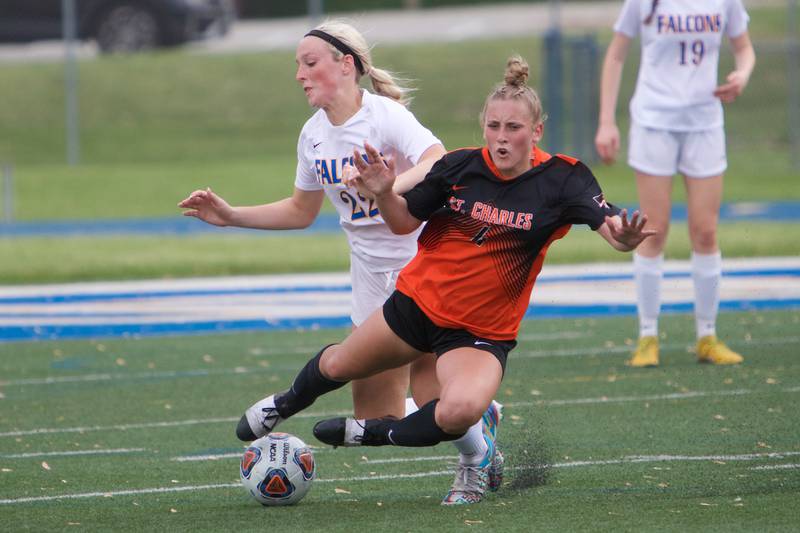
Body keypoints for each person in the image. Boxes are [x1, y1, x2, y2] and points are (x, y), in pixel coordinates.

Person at [234, 55, 655, 505]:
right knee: (337, 366)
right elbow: (401, 222)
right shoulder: (458, 168)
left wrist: (625, 239)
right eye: (493, 126)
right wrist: (382, 193)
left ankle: (413, 447)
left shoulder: (563, 179)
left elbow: (613, 228)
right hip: (415, 306)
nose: (501, 137)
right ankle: (284, 403)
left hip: (478, 334)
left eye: (513, 128)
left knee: (455, 411)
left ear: (536, 133)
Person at [177, 20, 503, 503]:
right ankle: (478, 410)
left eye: (309, 63)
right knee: (379, 417)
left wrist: (386, 186)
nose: (300, 75)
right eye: (297, 66)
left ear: (346, 65)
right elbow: (300, 210)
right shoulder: (312, 136)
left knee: (435, 398)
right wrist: (229, 216)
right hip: (370, 280)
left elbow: (438, 160)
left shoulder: (383, 116)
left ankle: (478, 459)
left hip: (425, 265)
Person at [594, 0, 756, 367]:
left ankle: (707, 336)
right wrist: (607, 121)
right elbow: (616, 55)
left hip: (704, 124)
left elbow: (744, 47)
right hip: (655, 121)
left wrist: (742, 74)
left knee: (705, 231)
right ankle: (648, 336)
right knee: (654, 228)